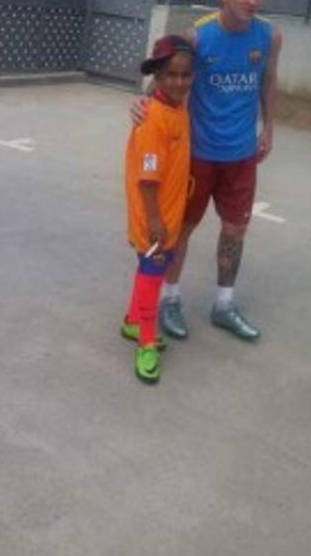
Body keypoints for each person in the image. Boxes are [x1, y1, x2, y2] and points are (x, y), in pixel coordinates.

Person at [132, 0, 281, 342]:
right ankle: (170, 298)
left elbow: (268, 82)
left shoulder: (269, 36)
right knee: (182, 228)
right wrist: (143, 104)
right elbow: (169, 76)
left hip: (242, 154)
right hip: (197, 154)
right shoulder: (199, 36)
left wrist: (269, 128)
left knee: (235, 230)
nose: (252, 0)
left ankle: (224, 305)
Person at [122, 35, 194, 384]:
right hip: (154, 218)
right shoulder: (153, 119)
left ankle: (133, 319)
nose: (179, 82)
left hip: (166, 213)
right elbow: (148, 179)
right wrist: (155, 220)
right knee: (153, 273)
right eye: (171, 75)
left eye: (185, 75)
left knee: (147, 268)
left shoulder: (177, 108)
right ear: (158, 77)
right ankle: (146, 343)